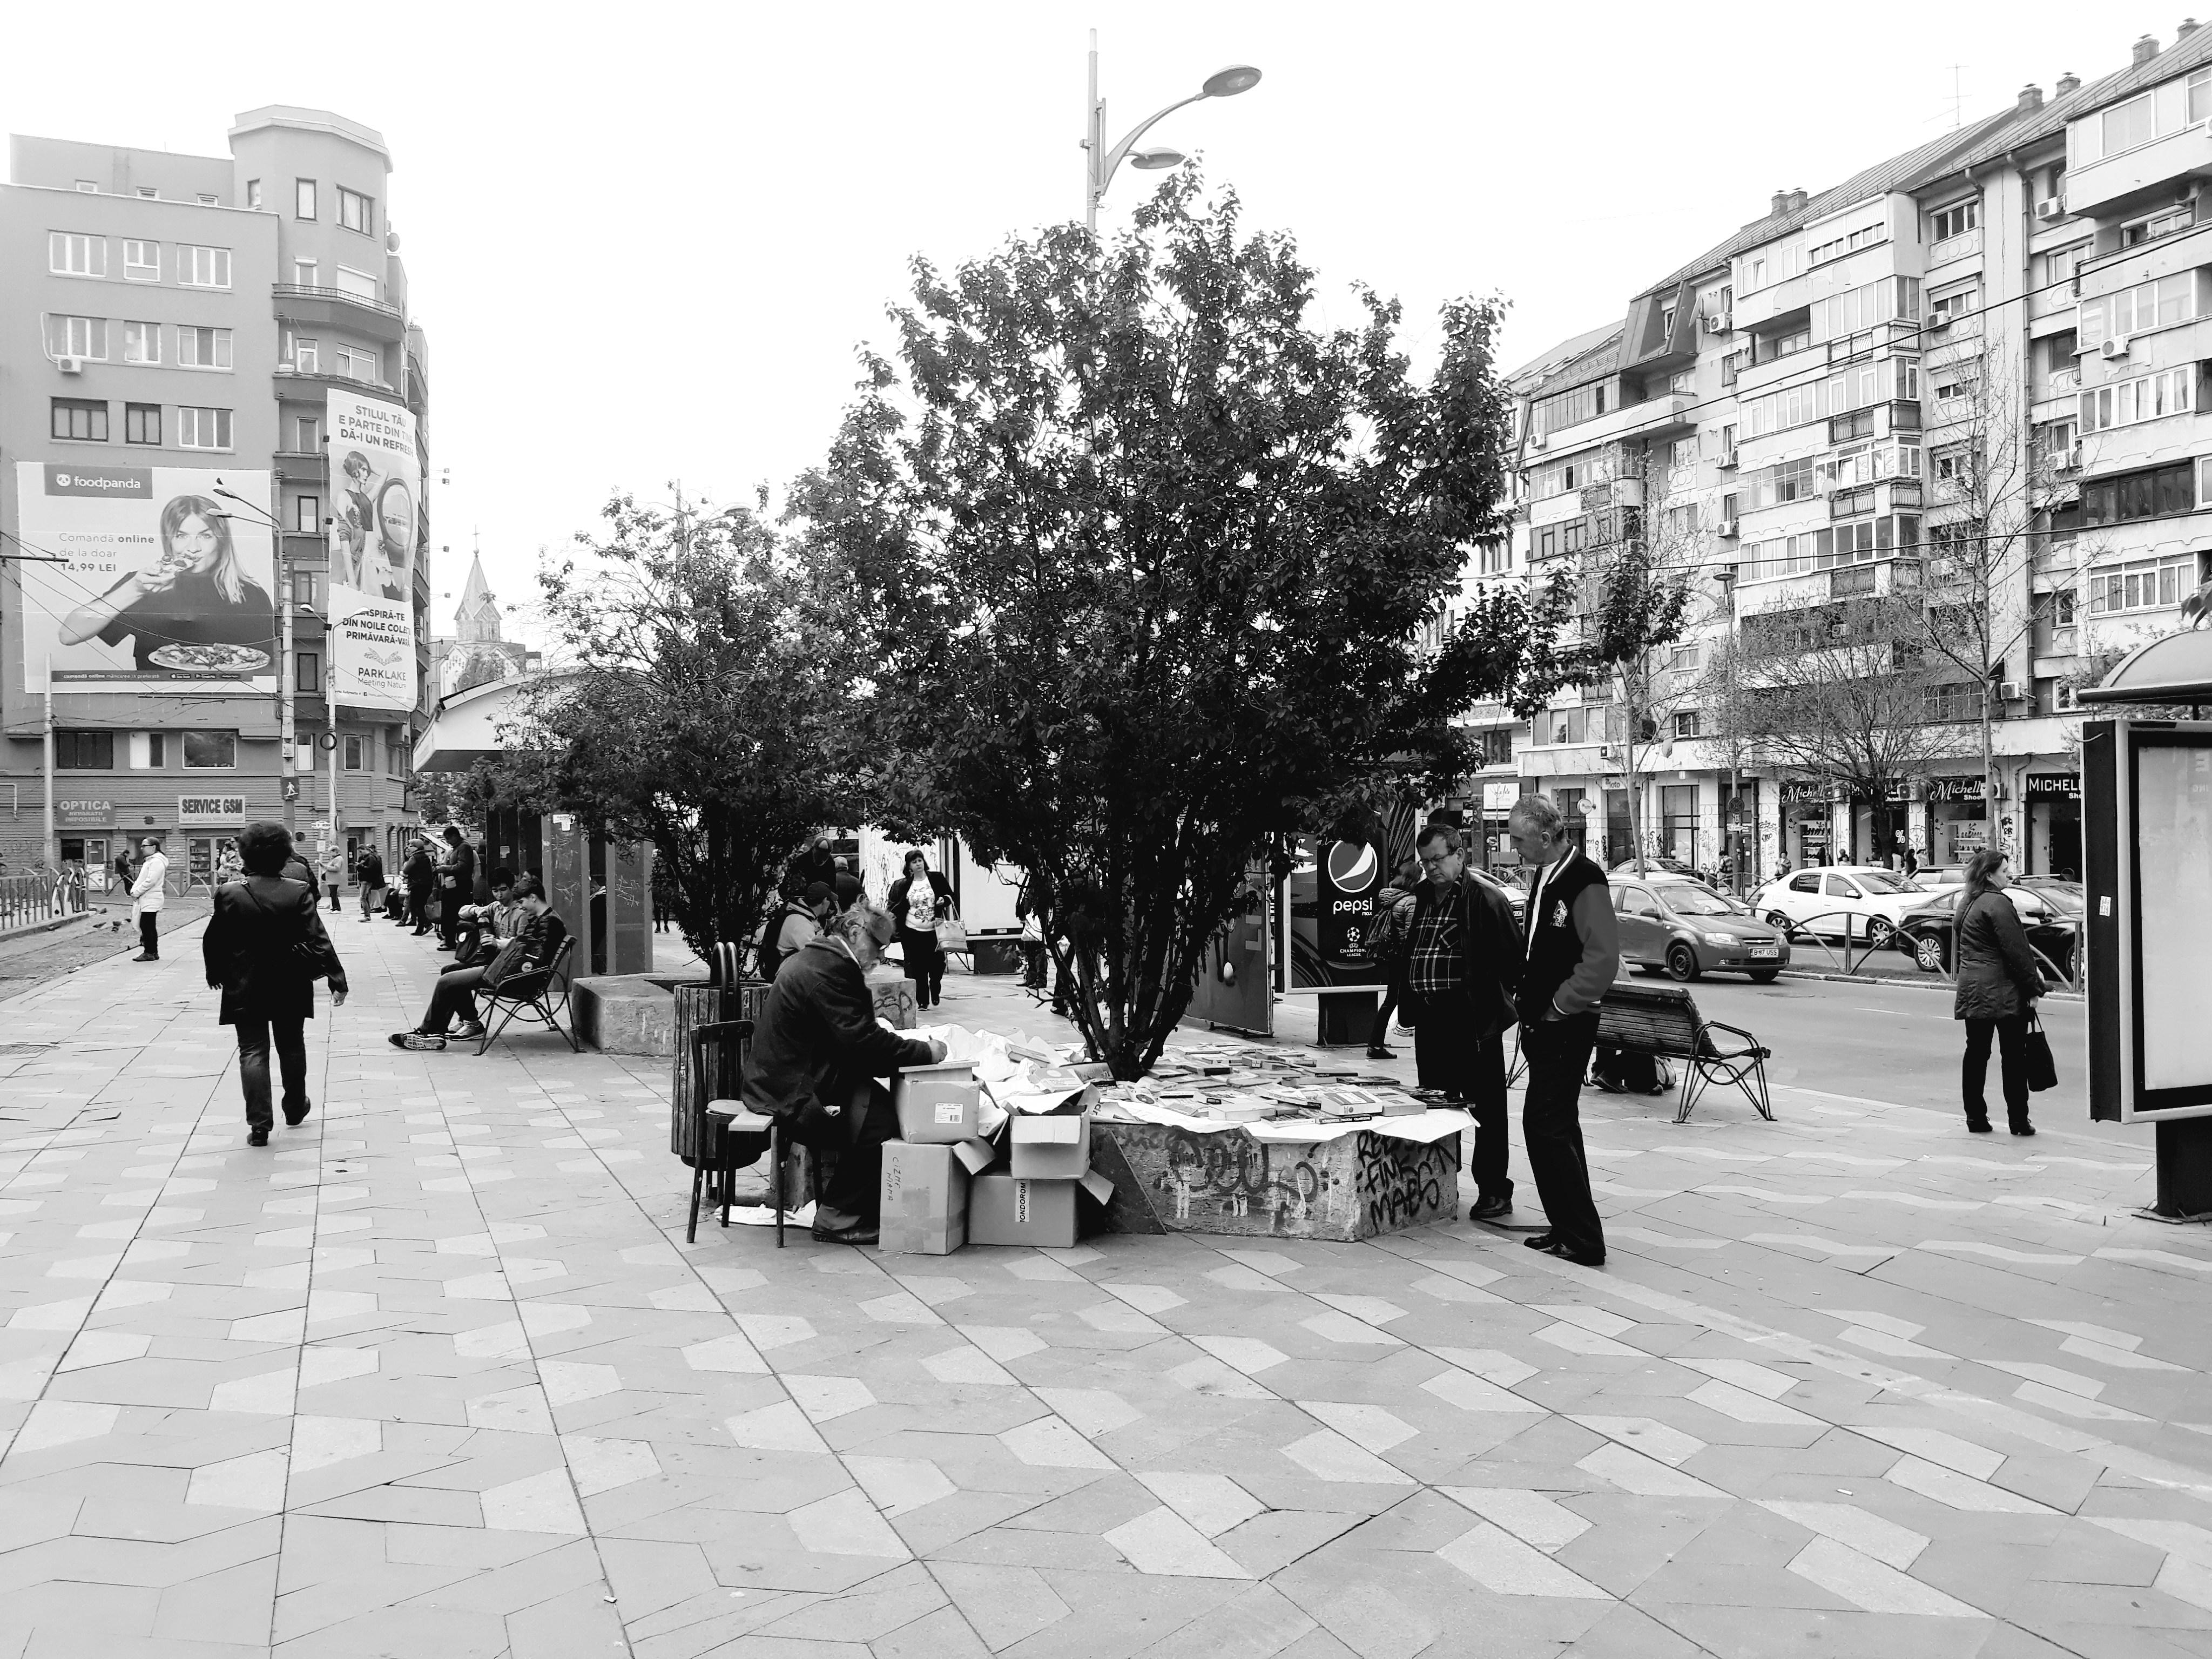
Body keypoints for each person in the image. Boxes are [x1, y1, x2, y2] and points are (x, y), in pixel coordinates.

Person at [741, 899, 948, 1245]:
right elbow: (863, 1043)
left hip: (790, 1078)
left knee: (885, 1106)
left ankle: (853, 1208)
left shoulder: (822, 961)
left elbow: (853, 1037)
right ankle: (836, 1218)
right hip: (789, 1092)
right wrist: (925, 1052)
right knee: (880, 1123)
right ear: (854, 933)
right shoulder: (828, 971)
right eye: (876, 947)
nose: (879, 957)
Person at [1509, 796, 1616, 1267]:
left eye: (1518, 838)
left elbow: (1602, 959)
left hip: (1566, 1023)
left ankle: (1583, 1238)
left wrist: (1559, 1005)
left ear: (1546, 836)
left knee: (1546, 1126)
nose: (1513, 848)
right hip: (1544, 1022)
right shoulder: (1546, 876)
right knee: (1558, 1128)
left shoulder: (1584, 878)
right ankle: (1566, 1226)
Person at [1400, 827, 1521, 1221]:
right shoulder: (1419, 898)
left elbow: (1513, 963)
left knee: (1485, 1107)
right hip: (1431, 1018)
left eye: (1438, 859)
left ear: (1459, 853)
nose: (1432, 868)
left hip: (1471, 1018)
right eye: (1425, 862)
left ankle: (1494, 1191)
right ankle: (1437, 1184)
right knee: (1435, 1104)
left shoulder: (1485, 899)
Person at [201, 821, 347, 1146]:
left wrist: (215, 973)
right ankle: (295, 1107)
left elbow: (215, 939)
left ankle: (259, 1125)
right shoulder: (298, 891)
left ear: (245, 854)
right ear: (284, 855)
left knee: (252, 1050)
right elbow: (318, 938)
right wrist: (337, 979)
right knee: (291, 1044)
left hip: (244, 980)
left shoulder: (229, 893)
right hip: (290, 978)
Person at [57, 495, 277, 673]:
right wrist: (133, 590)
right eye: (181, 536)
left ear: (221, 541)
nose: (193, 548)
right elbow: (69, 634)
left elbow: (267, 668)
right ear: (169, 541)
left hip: (230, 704)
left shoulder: (252, 595)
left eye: (205, 536)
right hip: (157, 705)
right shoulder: (145, 582)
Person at [390, 874, 567, 1050]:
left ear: (533, 898)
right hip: (508, 970)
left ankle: (429, 1032)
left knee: (447, 982)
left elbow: (534, 956)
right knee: (450, 975)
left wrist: (502, 944)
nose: (520, 906)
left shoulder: (550, 923)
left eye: (521, 902)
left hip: (515, 977)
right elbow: (528, 948)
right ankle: (437, 1031)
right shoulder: (542, 919)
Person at [1953, 847, 2045, 1136]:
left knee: (1976, 1053)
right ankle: (2018, 1120)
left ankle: (1975, 1118)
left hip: (1972, 989)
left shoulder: (1967, 902)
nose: (2009, 875)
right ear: (1989, 875)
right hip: (2004, 992)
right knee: (2014, 1057)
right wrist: (2034, 988)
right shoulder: (1999, 904)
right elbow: (2017, 952)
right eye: (2005, 871)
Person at [1364, 854, 1424, 1061]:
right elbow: (1411, 935)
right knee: (1413, 1001)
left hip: (1393, 956)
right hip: (1405, 959)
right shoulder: (1410, 901)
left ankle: (1375, 1044)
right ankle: (1378, 1044)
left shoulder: (1391, 897)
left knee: (1391, 1001)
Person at [888, 849, 956, 1010]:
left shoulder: (936, 878)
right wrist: (891, 915)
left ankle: (935, 987)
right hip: (912, 931)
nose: (918, 864)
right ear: (910, 866)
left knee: (937, 965)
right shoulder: (906, 884)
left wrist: (943, 900)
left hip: (934, 931)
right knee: (918, 967)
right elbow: (901, 904)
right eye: (914, 862)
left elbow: (950, 896)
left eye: (920, 860)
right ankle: (923, 1001)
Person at [762, 882, 833, 980]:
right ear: (825, 901)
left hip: (787, 973)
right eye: (831, 901)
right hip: (787, 977)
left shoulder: (804, 916)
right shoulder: (801, 923)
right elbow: (815, 956)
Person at [128, 838, 169, 962]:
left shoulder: (156, 862)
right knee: (149, 925)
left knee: (146, 925)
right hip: (148, 898)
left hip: (151, 898)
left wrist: (137, 891)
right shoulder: (151, 861)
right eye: (141, 846)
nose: (142, 848)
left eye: (145, 846)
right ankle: (153, 951)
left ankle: (149, 952)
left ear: (154, 847)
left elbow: (151, 881)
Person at [436, 827, 476, 951]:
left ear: (455, 836)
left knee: (454, 914)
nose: (447, 841)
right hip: (453, 886)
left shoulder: (464, 847)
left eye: (448, 838)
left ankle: (454, 941)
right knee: (449, 914)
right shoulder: (456, 848)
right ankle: (450, 939)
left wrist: (445, 868)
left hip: (460, 888)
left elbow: (462, 866)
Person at [403, 837, 435, 934]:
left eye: (411, 846)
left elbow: (406, 870)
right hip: (427, 885)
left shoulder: (414, 857)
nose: (409, 848)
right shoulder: (425, 856)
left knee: (415, 907)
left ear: (416, 847)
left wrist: (404, 873)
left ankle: (427, 924)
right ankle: (419, 929)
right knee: (421, 907)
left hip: (417, 885)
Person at [355, 845, 386, 923]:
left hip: (367, 881)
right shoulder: (368, 857)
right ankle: (367, 914)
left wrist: (360, 866)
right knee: (365, 898)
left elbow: (372, 869)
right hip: (365, 880)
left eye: (361, 852)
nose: (360, 854)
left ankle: (367, 915)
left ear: (365, 850)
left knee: (363, 898)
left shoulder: (371, 858)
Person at [316, 843, 345, 912]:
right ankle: (334, 908)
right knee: (332, 894)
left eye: (331, 852)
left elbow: (336, 868)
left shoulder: (338, 859)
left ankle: (337, 908)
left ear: (335, 852)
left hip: (335, 879)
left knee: (334, 894)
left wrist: (325, 866)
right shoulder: (334, 859)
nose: (330, 854)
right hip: (331, 879)